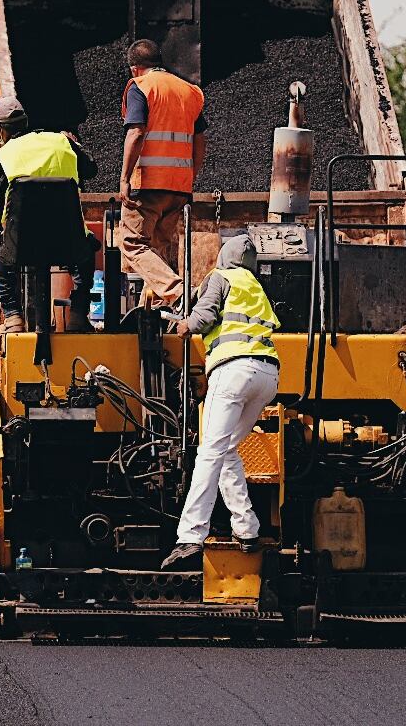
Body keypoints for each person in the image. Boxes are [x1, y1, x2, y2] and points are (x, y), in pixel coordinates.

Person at [162, 234, 279, 568]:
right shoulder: (254, 286)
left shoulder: (220, 277)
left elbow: (205, 316)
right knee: (226, 448)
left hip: (234, 372)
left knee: (209, 453)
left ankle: (189, 536)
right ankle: (247, 527)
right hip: (267, 376)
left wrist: (185, 325)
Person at [0, 96, 96, 333]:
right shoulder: (62, 142)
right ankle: (78, 312)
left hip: (20, 245)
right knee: (89, 243)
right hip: (68, 243)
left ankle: (13, 315)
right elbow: (91, 170)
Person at [118, 38, 205, 309]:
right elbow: (200, 141)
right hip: (178, 186)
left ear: (135, 68)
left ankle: (176, 291)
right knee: (158, 248)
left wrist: (123, 179)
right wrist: (189, 177)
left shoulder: (141, 87)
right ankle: (156, 311)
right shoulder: (190, 91)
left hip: (147, 184)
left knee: (132, 244)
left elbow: (136, 132)